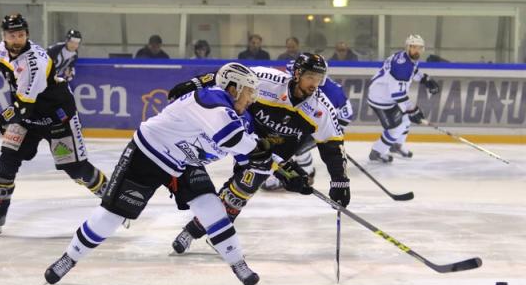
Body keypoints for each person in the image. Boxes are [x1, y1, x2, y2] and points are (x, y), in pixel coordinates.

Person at [43, 63, 273, 285]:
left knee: (211, 206)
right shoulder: (211, 98)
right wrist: (257, 150)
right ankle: (69, 258)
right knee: (112, 216)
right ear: (233, 88)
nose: (253, 98)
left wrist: (281, 172)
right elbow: (231, 139)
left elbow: (246, 157)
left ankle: (238, 263)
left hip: (184, 161)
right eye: (250, 91)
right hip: (148, 154)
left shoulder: (239, 117)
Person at [166, 53, 350, 255]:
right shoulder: (268, 80)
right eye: (311, 78)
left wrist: (340, 181)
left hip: (274, 152)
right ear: (297, 74)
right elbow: (229, 75)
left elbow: (333, 146)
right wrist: (195, 84)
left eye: (319, 79)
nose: (315, 84)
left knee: (240, 192)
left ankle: (194, 231)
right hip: (243, 133)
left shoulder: (320, 108)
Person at [0, 14, 109, 236]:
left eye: (21, 35)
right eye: (12, 35)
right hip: (28, 118)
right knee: (6, 161)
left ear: (27, 35)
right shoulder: (3, 48)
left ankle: (112, 200)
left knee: (76, 170)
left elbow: (21, 107)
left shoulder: (35, 65)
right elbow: (7, 68)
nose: (17, 39)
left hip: (57, 117)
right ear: (3, 36)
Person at [262, 58, 353, 191]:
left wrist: (331, 135)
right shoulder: (292, 82)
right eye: (310, 76)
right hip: (310, 119)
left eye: (317, 77)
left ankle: (306, 174)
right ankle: (306, 171)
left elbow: (346, 116)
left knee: (296, 145)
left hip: (330, 123)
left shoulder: (331, 94)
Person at [367, 34, 440, 163]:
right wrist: (413, 110)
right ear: (408, 47)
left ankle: (396, 146)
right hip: (381, 99)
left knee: (406, 121)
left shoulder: (407, 59)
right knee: (396, 128)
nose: (416, 50)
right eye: (413, 47)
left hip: (387, 95)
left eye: (419, 48)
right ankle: (377, 152)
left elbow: (414, 72)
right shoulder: (402, 66)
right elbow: (397, 94)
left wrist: (426, 80)